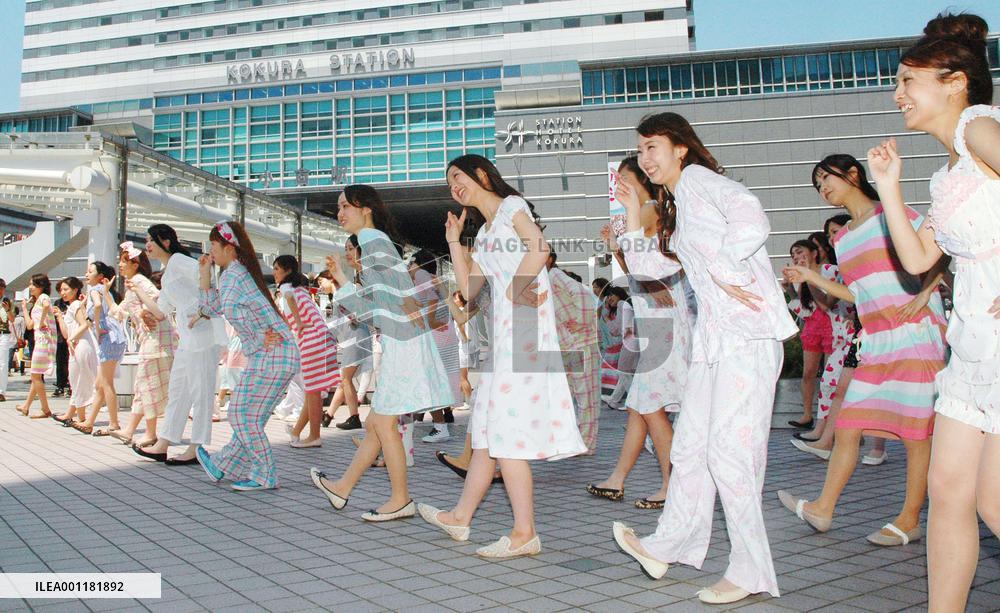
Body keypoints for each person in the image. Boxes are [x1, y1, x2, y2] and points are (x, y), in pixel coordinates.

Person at [610, 112, 796, 604]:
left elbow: (752, 213)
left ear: (681, 148)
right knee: (690, 449)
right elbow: (654, 268)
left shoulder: (699, 180)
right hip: (715, 343)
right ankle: (668, 545)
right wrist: (633, 215)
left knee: (730, 453)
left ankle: (750, 569)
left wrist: (726, 264)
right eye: (641, 150)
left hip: (748, 337)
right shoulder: (679, 203)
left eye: (653, 147)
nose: (646, 159)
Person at [863, 13, 998, 611]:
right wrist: (888, 188)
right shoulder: (948, 175)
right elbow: (918, 260)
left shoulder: (978, 127)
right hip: (971, 346)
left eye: (907, 80)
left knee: (991, 500)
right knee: (948, 492)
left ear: (955, 81)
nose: (898, 95)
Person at [417, 154, 586, 558]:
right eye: (449, 183)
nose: (454, 186)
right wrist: (455, 242)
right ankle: (460, 517)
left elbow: (539, 248)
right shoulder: (487, 231)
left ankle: (524, 532)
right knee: (487, 433)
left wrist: (513, 292)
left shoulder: (512, 208)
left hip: (523, 333)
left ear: (481, 174)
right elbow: (469, 288)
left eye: (458, 176)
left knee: (505, 436)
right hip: (503, 337)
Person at [778, 153, 948, 550]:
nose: (823, 188)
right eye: (817, 184)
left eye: (826, 178)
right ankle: (822, 507)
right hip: (877, 337)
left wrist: (927, 291)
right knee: (849, 423)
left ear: (853, 174)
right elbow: (858, 292)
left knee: (915, 432)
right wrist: (811, 276)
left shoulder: (889, 210)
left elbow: (940, 243)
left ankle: (909, 518)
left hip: (914, 332)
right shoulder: (842, 237)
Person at [311, 184, 453, 521]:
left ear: (365, 208)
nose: (340, 213)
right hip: (402, 340)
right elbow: (395, 303)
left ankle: (401, 499)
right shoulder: (376, 243)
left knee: (384, 422)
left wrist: (344, 283)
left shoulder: (373, 243)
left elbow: (384, 308)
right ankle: (343, 487)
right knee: (377, 421)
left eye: (345, 206)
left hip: (402, 342)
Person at [588, 155, 695, 507]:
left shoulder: (650, 208)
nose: (618, 185)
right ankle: (618, 479)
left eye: (624, 178)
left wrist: (621, 246)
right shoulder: (651, 210)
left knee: (651, 408)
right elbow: (639, 269)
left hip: (662, 322)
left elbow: (646, 267)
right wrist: (618, 250)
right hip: (658, 318)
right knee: (640, 407)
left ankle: (672, 486)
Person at [194, 221, 298, 491]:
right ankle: (222, 465)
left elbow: (256, 309)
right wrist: (205, 273)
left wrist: (263, 334)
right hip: (271, 352)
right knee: (251, 416)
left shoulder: (237, 275)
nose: (211, 252)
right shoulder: (231, 274)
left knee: (241, 414)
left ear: (229, 247)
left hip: (273, 352)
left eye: (214, 246)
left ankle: (265, 475)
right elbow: (211, 307)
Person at [131, 224, 223, 463]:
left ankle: (196, 447)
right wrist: (141, 298)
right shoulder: (168, 270)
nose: (147, 245)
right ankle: (164, 442)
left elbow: (209, 276)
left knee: (200, 391)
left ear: (166, 241)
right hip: (187, 338)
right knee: (178, 390)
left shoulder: (180, 261)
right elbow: (161, 312)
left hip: (203, 334)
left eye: (150, 240)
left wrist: (202, 310)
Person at [105, 242, 177, 446]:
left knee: (148, 386)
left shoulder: (139, 282)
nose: (120, 264)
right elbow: (119, 313)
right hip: (152, 341)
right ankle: (130, 431)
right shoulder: (133, 284)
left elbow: (159, 303)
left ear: (134, 264)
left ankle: (149, 433)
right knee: (143, 386)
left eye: (123, 261)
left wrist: (147, 312)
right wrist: (106, 293)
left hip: (156, 342)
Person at [275, 254, 339, 448]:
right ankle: (298, 432)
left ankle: (314, 436)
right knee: (314, 390)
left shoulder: (287, 288)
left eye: (277, 268)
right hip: (322, 338)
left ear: (287, 270)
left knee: (312, 390)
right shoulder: (300, 289)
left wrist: (299, 322)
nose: (274, 272)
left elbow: (288, 299)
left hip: (312, 339)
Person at [409, 248, 461, 442]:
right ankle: (436, 423)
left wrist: (429, 320)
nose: (409, 266)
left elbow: (431, 298)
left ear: (418, 263)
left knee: (431, 380)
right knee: (434, 379)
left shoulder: (422, 275)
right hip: (441, 333)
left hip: (435, 334)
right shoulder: (426, 277)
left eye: (411, 262)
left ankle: (439, 427)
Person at [781, 239, 833, 430]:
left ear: (814, 252)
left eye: (799, 252)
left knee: (830, 376)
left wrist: (809, 279)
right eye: (793, 255)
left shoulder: (827, 271)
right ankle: (807, 415)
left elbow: (827, 304)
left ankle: (828, 420)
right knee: (808, 373)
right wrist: (790, 291)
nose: (796, 257)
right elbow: (805, 311)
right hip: (812, 327)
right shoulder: (801, 279)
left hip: (831, 325)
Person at [73, 262, 127, 435]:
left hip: (109, 337)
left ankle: (113, 424)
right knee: (100, 384)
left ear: (99, 276)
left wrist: (97, 327)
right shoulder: (100, 289)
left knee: (106, 383)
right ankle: (90, 422)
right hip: (113, 336)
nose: (86, 274)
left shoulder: (95, 289)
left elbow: (97, 307)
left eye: (90, 271)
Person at [53, 277, 98, 427]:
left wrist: (72, 339)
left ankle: (78, 416)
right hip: (76, 346)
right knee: (76, 380)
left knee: (80, 380)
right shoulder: (72, 306)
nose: (63, 293)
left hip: (81, 345)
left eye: (66, 289)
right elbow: (65, 333)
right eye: (61, 290)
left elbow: (85, 324)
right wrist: (59, 316)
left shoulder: (76, 305)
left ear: (75, 289)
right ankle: (75, 415)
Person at [16, 274, 57, 418]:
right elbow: (29, 325)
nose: (30, 287)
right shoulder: (37, 301)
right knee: (36, 375)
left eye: (33, 284)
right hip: (41, 340)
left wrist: (42, 322)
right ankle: (26, 406)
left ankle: (45, 409)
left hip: (44, 341)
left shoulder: (43, 297)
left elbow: (46, 306)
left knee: (35, 375)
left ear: (41, 286)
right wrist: (24, 308)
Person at [0, 278, 17, 403]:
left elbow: (12, 320)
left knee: (2, 363)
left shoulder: (7, 302)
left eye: (2, 288)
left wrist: (7, 310)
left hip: (4, 334)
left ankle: (1, 392)